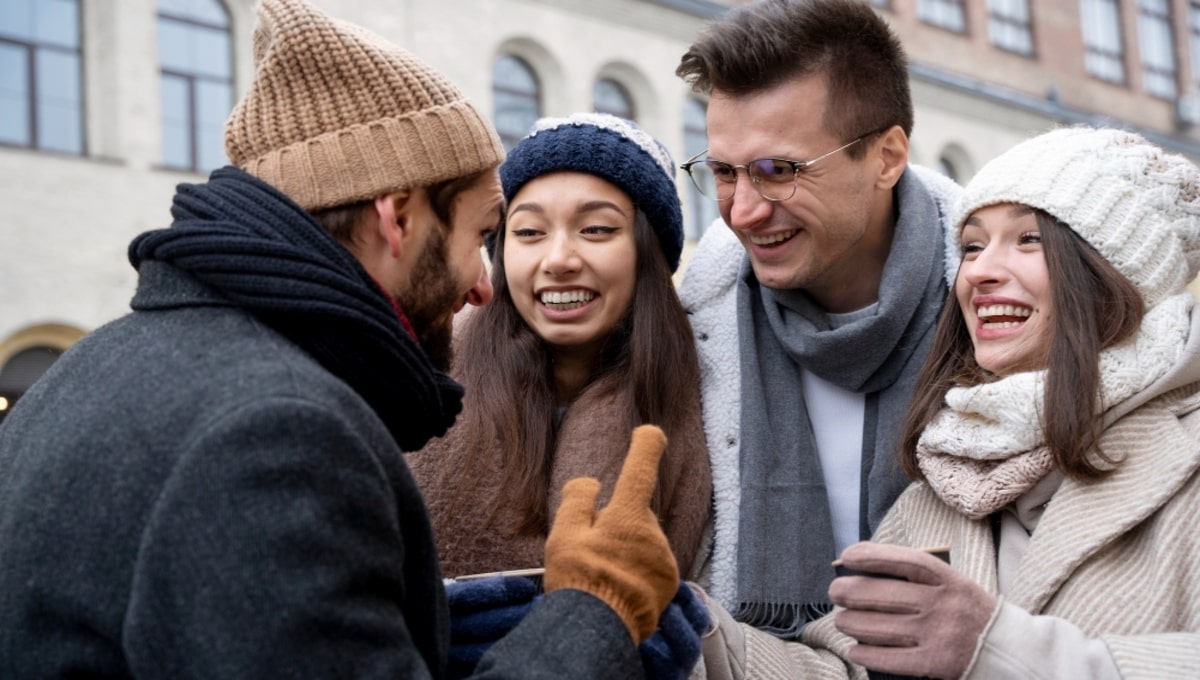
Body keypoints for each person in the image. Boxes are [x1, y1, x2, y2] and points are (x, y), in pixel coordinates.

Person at [0, 0, 683, 677]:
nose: (483, 285)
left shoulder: (86, 366)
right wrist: (597, 611)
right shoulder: (278, 434)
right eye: (484, 236)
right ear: (399, 218)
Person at [694, 126, 1200, 678]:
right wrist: (696, 637)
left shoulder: (1186, 458)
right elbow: (855, 671)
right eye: (973, 246)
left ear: (1116, 275)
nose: (979, 271)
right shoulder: (947, 477)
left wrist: (998, 649)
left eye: (1029, 240)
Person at [674, 0, 961, 637]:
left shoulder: (1002, 317)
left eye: (779, 171)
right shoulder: (691, 329)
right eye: (723, 172)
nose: (743, 211)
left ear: (887, 157)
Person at [408, 112, 712, 582]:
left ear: (647, 254)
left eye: (596, 230)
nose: (559, 260)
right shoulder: (425, 379)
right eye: (529, 232)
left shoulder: (707, 398)